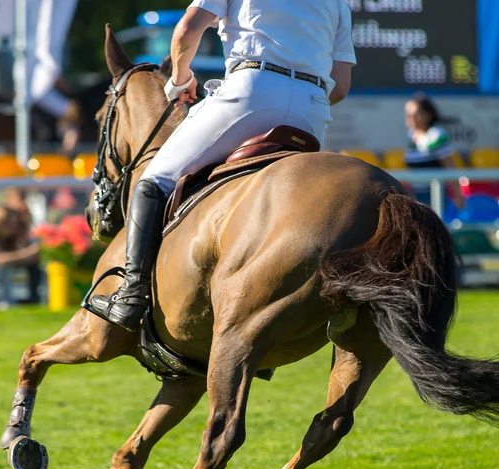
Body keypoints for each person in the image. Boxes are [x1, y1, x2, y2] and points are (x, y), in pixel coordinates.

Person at [88, 0, 356, 331]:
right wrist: (298, 92)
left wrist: (180, 79)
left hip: (251, 91)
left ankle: (130, 295)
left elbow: (189, 28)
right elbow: (340, 85)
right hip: (313, 109)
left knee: (154, 181)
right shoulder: (338, 4)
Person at [404, 93, 466, 209]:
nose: (410, 117)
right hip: (416, 194)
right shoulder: (411, 135)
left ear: (428, 115)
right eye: (408, 114)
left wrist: (458, 194)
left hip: (434, 195)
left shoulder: (437, 135)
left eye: (415, 114)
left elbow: (449, 165)